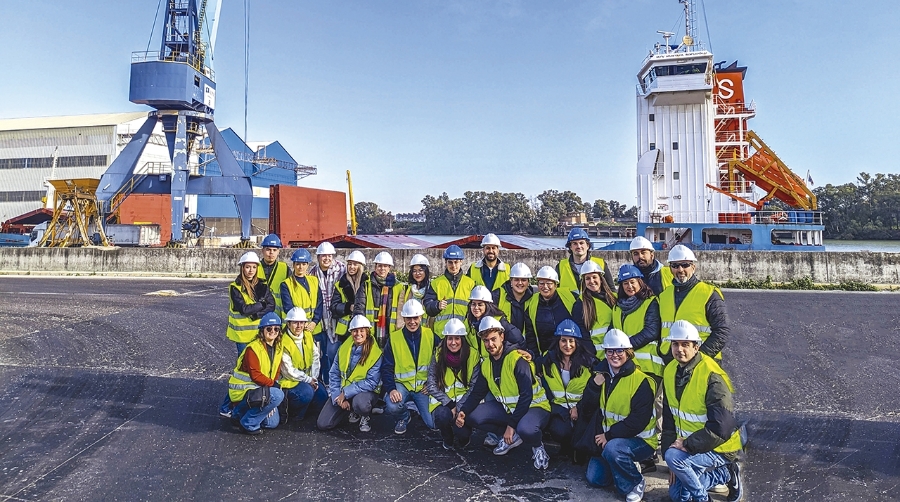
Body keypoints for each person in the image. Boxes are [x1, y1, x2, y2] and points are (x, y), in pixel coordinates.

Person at [662, 320, 744, 502]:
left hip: (719, 447)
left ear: (696, 346)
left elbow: (722, 427)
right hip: (693, 446)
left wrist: (686, 446)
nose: (679, 349)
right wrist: (670, 461)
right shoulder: (669, 371)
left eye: (685, 344)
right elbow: (668, 420)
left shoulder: (711, 374)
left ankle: (703, 497)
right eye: (675, 344)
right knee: (678, 496)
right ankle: (725, 475)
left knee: (675, 459)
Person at [456, 317, 552, 470]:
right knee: (473, 416)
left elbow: (526, 396)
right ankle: (510, 437)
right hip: (510, 409)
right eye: (486, 340)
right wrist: (463, 411)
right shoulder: (487, 364)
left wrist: (511, 425)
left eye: (493, 339)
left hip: (535, 407)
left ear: (502, 336)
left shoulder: (517, 360)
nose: (490, 344)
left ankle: (537, 446)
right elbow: (477, 393)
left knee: (526, 429)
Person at [579, 329, 658, 502]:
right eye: (610, 351)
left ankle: (635, 482)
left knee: (614, 451)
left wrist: (609, 435)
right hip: (611, 440)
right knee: (595, 479)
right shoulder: (600, 376)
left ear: (628, 353)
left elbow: (638, 421)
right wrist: (593, 387)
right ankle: (626, 466)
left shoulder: (641, 381)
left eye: (619, 351)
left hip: (640, 441)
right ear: (606, 353)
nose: (615, 355)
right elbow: (586, 409)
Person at [221, 251, 276, 417]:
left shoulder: (262, 286)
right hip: (242, 338)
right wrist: (261, 304)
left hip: (258, 336)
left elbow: (271, 305)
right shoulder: (235, 288)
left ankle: (252, 402)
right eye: (247, 267)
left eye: (253, 267)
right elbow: (243, 309)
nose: (250, 270)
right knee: (244, 374)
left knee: (258, 371)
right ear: (242, 268)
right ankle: (227, 406)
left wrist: (255, 313)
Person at [658, 245, 730, 360]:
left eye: (685, 265)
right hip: (672, 360)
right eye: (675, 265)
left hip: (703, 361)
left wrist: (698, 359)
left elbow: (722, 331)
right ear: (670, 269)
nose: (680, 269)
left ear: (693, 267)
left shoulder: (709, 293)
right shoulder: (664, 295)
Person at [382, 299, 440, 434]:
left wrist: (432, 383)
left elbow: (442, 362)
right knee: (392, 405)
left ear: (421, 317)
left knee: (432, 424)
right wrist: (391, 389)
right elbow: (386, 367)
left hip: (423, 388)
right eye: (409, 318)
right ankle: (404, 417)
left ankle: (418, 408)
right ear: (404, 318)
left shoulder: (430, 335)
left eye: (415, 318)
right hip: (402, 385)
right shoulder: (394, 338)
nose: (412, 322)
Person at [317, 315, 383, 432]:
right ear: (351, 332)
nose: (358, 334)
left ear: (367, 332)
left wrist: (345, 393)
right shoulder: (344, 348)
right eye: (355, 331)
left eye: (361, 330)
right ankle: (352, 410)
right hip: (343, 392)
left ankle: (364, 415)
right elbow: (334, 374)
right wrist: (338, 397)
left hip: (365, 393)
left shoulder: (375, 353)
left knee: (361, 404)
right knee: (323, 424)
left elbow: (371, 382)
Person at [541, 319, 594, 460]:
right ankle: (566, 447)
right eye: (563, 340)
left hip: (582, 410)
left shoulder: (588, 363)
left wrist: (578, 407)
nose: (568, 345)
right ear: (558, 342)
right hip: (559, 409)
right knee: (559, 430)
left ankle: (579, 450)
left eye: (571, 341)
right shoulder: (548, 360)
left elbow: (592, 392)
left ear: (577, 342)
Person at [228, 312, 286, 435]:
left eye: (276, 328)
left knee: (271, 423)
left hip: (261, 389)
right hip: (244, 391)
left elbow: (275, 372)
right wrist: (271, 392)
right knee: (278, 394)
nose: (273, 331)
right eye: (269, 328)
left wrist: (269, 403)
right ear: (262, 330)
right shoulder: (252, 349)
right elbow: (256, 376)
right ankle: (245, 420)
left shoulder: (278, 348)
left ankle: (247, 415)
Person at [427, 318, 481, 450]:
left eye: (457, 338)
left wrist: (460, 408)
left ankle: (463, 437)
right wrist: (450, 404)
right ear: (445, 339)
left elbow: (474, 386)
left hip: (465, 402)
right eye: (449, 338)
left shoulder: (473, 355)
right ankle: (447, 438)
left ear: (462, 339)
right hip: (444, 402)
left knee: (462, 433)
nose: (453, 342)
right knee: (441, 416)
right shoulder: (439, 354)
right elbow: (431, 383)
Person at [612, 264, 663, 379]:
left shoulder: (650, 302)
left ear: (640, 282)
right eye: (625, 283)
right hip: (626, 365)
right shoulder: (617, 307)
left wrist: (625, 348)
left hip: (648, 367)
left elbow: (651, 331)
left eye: (632, 282)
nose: (629, 286)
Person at [278, 307, 327, 424]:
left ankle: (305, 407)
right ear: (288, 324)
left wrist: (314, 378)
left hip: (308, 378)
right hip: (290, 382)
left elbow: (315, 357)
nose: (299, 326)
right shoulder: (283, 341)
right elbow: (288, 371)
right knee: (306, 393)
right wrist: (308, 380)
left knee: (323, 397)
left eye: (302, 322)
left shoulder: (307, 336)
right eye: (295, 322)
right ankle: (293, 413)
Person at [524, 266, 584, 358]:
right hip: (546, 356)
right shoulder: (532, 303)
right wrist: (537, 359)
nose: (545, 287)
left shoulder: (570, 297)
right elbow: (530, 335)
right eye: (541, 283)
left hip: (570, 355)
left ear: (556, 285)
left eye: (549, 283)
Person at [310, 241, 346, 389]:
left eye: (329, 255)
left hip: (336, 319)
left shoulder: (342, 269)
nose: (326, 258)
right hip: (319, 319)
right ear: (318, 257)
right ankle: (323, 384)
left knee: (333, 352)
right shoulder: (312, 273)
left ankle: (334, 383)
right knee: (319, 354)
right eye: (323, 256)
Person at [355, 251, 403, 348]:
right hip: (370, 332)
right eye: (380, 266)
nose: (382, 269)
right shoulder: (366, 285)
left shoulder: (398, 286)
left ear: (389, 268)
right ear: (375, 267)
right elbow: (359, 308)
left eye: (385, 266)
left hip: (391, 331)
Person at [424, 245, 476, 335]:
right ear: (445, 262)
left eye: (456, 262)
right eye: (450, 262)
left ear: (461, 262)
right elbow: (428, 307)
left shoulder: (470, 284)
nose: (453, 266)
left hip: (463, 333)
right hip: (441, 334)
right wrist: (436, 306)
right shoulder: (436, 283)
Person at [465, 285, 525, 357]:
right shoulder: (468, 323)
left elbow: (518, 340)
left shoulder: (498, 322)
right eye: (473, 304)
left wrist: (506, 355)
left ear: (487, 306)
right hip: (482, 365)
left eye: (480, 304)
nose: (476, 308)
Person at [280, 248, 323, 336]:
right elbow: (288, 307)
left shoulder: (314, 281)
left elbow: (320, 303)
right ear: (294, 265)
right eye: (298, 264)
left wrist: (315, 322)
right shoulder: (286, 284)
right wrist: (303, 323)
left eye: (304, 264)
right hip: (297, 329)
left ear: (307, 265)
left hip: (314, 328)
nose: (301, 267)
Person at [556, 227, 614, 292]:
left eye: (581, 243)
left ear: (588, 245)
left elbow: (611, 290)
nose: (578, 246)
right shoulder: (561, 266)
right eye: (575, 243)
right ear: (570, 247)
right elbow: (554, 292)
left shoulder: (600, 264)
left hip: (594, 302)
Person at [580, 260, 618, 358]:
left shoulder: (615, 298)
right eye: (587, 278)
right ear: (584, 282)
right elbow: (582, 333)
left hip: (618, 353)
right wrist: (592, 356)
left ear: (601, 279)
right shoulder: (580, 303)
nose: (591, 281)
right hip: (598, 355)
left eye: (594, 277)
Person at [331, 250, 368, 344]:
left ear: (360, 266)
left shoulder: (368, 284)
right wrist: (348, 307)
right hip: (345, 331)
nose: (351, 267)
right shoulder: (340, 285)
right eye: (349, 264)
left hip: (363, 329)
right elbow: (334, 307)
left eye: (355, 264)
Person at [493, 262, 535, 333]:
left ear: (528, 282)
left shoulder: (534, 298)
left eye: (523, 280)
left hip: (527, 342)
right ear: (511, 281)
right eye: (516, 279)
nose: (520, 283)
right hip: (504, 342)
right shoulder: (497, 296)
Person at [258, 233, 290, 316]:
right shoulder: (255, 268)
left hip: (277, 315)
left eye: (274, 250)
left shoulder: (284, 268)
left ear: (278, 252)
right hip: (258, 313)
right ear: (262, 250)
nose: (271, 253)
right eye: (268, 249)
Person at [396, 253, 431, 328]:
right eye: (414, 271)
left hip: (426, 330)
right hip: (409, 328)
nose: (417, 273)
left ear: (426, 271)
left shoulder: (431, 288)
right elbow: (400, 311)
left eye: (420, 270)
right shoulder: (406, 289)